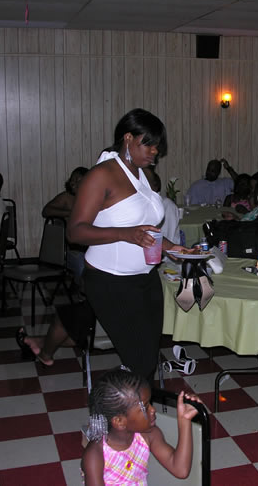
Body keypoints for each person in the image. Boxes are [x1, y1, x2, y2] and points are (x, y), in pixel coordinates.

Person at [67, 108, 185, 380]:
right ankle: (125, 404)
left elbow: (146, 228)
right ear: (128, 138)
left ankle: (139, 403)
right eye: (149, 144)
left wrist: (173, 248)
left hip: (146, 278)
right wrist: (125, 234)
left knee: (147, 358)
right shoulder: (102, 175)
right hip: (111, 282)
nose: (155, 151)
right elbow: (75, 232)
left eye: (157, 146)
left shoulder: (141, 175)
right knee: (139, 360)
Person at [82, 366, 203, 485]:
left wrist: (184, 420)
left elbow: (180, 470)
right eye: (145, 407)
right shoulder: (95, 455)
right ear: (119, 421)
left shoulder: (148, 435)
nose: (153, 410)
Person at [42, 166, 90, 288]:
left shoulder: (94, 198)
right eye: (72, 180)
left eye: (78, 180)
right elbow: (46, 211)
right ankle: (81, 289)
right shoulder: (67, 198)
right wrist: (70, 213)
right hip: (72, 249)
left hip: (91, 246)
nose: (73, 183)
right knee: (82, 267)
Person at [144, 168, 180, 244]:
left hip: (162, 249)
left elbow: (168, 238)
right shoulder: (139, 204)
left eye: (144, 183)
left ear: (155, 186)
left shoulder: (166, 205)